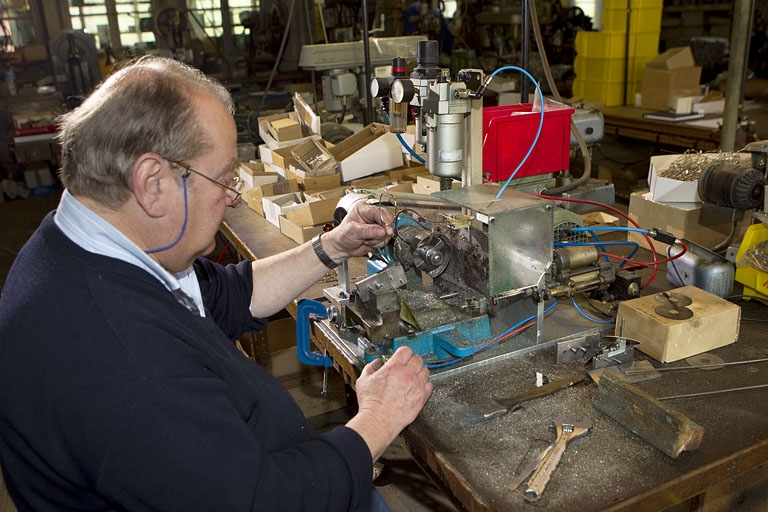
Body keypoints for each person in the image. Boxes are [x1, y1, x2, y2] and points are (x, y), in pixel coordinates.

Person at [0, 56, 433, 511]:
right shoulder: (125, 363)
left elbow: (226, 294)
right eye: (223, 178)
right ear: (152, 183)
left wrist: (333, 246)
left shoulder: (93, 247)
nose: (232, 198)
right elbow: (263, 502)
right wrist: (379, 419)